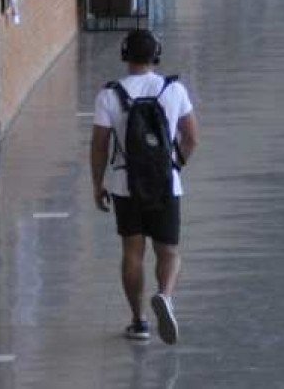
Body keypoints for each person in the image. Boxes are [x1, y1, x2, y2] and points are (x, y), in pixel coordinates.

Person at [90, 28, 199, 345]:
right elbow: (192, 137)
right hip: (166, 184)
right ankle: (164, 295)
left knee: (132, 252)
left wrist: (98, 184)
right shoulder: (173, 89)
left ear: (125, 55)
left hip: (126, 185)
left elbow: (99, 145)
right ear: (156, 55)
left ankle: (138, 321)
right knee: (168, 250)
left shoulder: (110, 95)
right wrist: (174, 165)